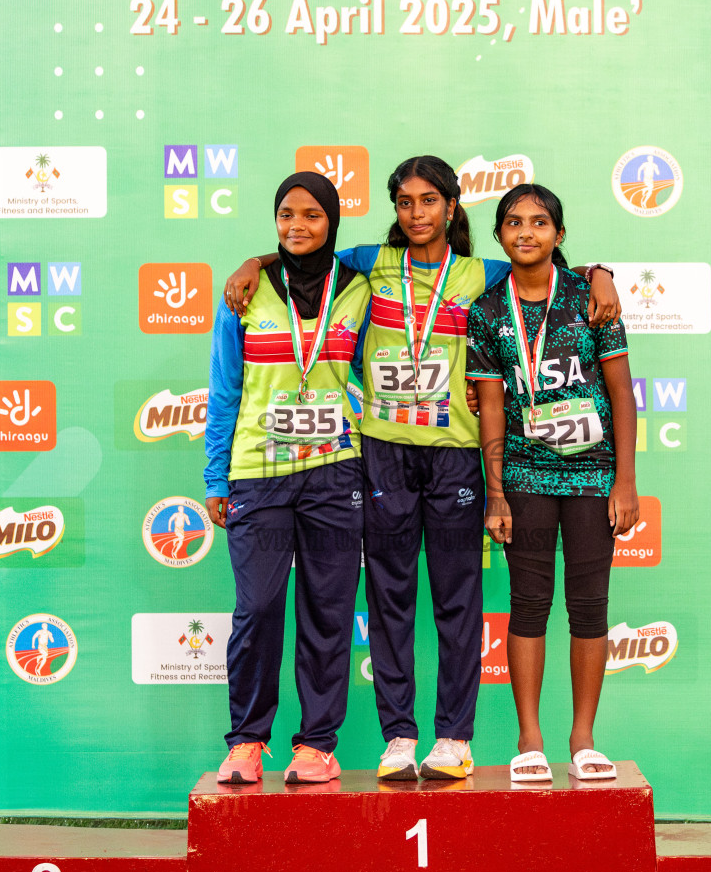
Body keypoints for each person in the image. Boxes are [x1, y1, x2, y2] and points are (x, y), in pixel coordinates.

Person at [222, 157, 620, 781]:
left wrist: (601, 273)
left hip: (458, 454)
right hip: (383, 450)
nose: (416, 213)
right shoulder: (370, 263)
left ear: (452, 208)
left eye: (429, 201)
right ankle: (400, 734)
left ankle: (454, 738)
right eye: (404, 202)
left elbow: (542, 263)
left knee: (457, 599)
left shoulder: (478, 272)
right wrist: (254, 262)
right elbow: (304, 247)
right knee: (390, 598)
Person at [467, 183, 638, 784]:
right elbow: (489, 406)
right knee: (529, 603)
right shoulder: (487, 311)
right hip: (524, 475)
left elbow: (621, 393)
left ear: (559, 236)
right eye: (513, 223)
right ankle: (530, 738)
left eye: (540, 223)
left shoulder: (590, 298)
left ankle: (584, 738)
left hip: (593, 478)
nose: (526, 233)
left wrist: (626, 480)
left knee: (590, 604)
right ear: (498, 235)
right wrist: (495, 491)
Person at [204, 172, 370, 785]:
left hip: (334, 473)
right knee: (258, 607)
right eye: (284, 215)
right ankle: (247, 740)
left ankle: (317, 744)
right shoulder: (243, 294)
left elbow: (374, 377)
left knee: (328, 609)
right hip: (258, 476)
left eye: (311, 215)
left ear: (332, 222)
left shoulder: (358, 288)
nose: (296, 226)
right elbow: (224, 393)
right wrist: (216, 478)